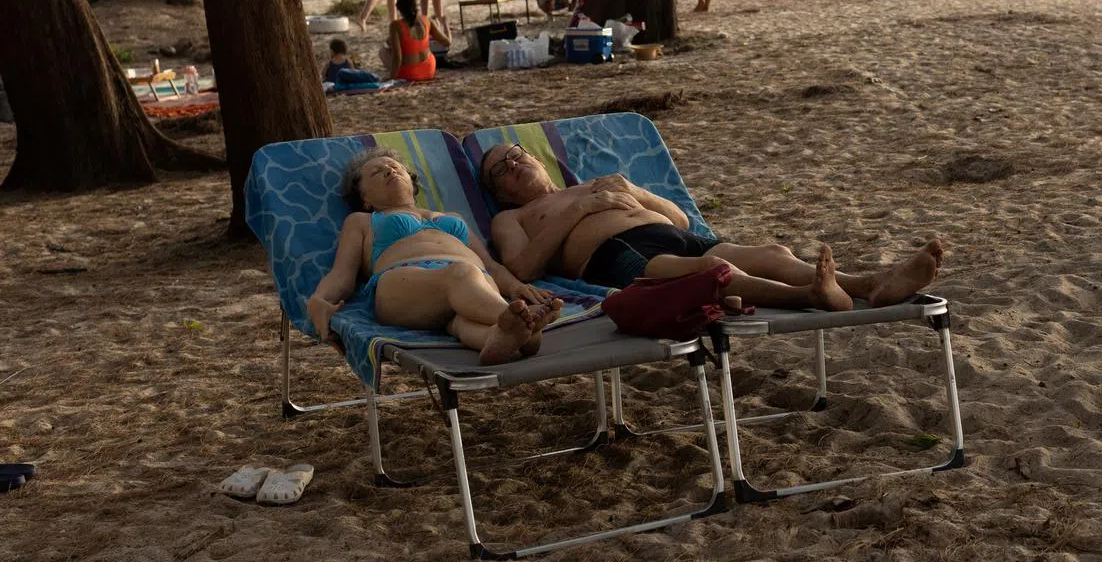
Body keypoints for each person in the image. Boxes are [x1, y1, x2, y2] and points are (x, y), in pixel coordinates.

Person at [478, 143, 944, 312]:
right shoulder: (512, 217)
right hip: (613, 255)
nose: (515, 163)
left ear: (539, 160)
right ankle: (809, 295)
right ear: (500, 193)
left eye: (518, 154)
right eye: (502, 168)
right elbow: (523, 265)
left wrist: (634, 193)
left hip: (668, 231)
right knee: (712, 269)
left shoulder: (599, 183)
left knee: (772, 252)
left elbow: (679, 217)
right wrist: (581, 211)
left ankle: (869, 284)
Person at [307, 146, 563, 365]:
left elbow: (491, 266)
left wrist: (517, 286)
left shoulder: (453, 218)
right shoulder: (362, 220)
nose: (390, 170)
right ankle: (523, 322)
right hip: (403, 284)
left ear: (412, 181)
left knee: (462, 320)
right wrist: (319, 299)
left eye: (396, 167)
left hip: (471, 287)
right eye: (376, 172)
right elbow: (342, 274)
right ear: (364, 199)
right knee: (462, 274)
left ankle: (498, 338)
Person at [383, 0, 451, 82]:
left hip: (409, 74)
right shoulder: (427, 20)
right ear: (416, 6)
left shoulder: (395, 26)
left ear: (398, 8)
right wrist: (446, 25)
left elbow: (397, 57)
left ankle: (394, 73)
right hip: (429, 69)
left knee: (382, 51)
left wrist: (391, 78)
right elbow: (447, 42)